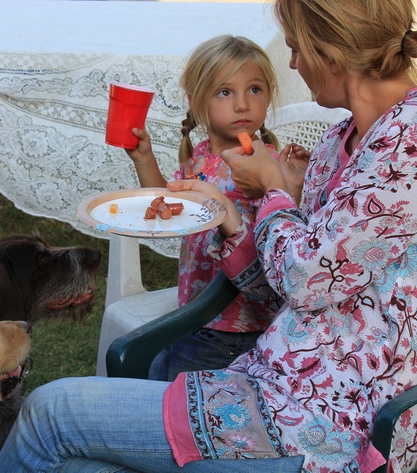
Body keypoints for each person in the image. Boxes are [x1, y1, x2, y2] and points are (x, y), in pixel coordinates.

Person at [0, 0, 417, 473]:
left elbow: (304, 278)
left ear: (330, 53)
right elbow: (276, 286)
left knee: (49, 413)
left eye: (296, 49)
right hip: (277, 386)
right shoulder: (343, 140)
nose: (292, 64)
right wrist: (229, 216)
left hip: (335, 426)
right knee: (76, 465)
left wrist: (272, 189)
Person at [124, 34, 309, 381]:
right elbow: (168, 202)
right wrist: (144, 158)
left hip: (235, 329)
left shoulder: (264, 166)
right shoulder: (201, 155)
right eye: (225, 92)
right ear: (196, 101)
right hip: (196, 313)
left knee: (178, 398)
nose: (242, 104)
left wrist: (289, 187)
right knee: (161, 383)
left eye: (254, 89)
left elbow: (284, 234)